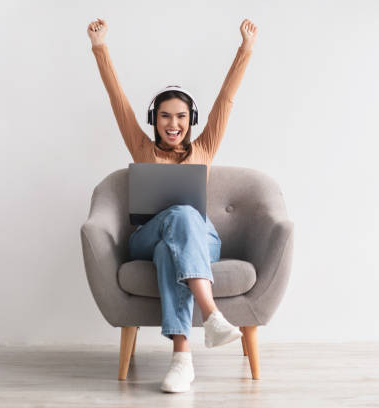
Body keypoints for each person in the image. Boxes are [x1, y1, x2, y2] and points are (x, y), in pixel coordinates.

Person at [87, 17, 258, 393]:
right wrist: (100, 48)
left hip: (199, 240)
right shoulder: (142, 147)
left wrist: (244, 49)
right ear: (154, 120)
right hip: (144, 237)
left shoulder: (205, 148)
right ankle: (212, 315)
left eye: (181, 116)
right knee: (177, 218)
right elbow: (118, 100)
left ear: (191, 120)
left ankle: (182, 359)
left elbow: (226, 99)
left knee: (171, 249)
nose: (173, 123)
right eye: (165, 116)